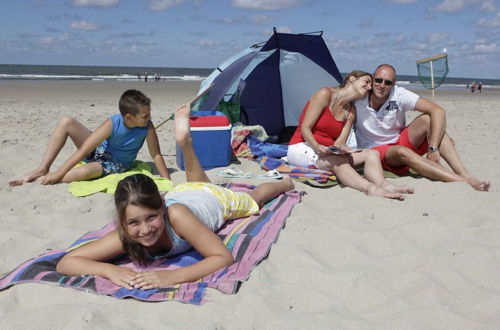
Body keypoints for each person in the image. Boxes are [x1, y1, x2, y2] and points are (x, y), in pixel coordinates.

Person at [56, 104, 295, 290]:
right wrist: (111, 271)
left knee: (253, 200)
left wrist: (172, 276)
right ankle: (185, 143)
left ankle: (283, 183)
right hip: (183, 193)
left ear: (162, 206)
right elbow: (66, 262)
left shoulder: (176, 215)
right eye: (133, 222)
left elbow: (222, 257)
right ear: (122, 221)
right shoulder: (128, 233)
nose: (145, 229)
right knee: (196, 182)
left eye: (151, 218)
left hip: (214, 201)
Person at [353, 64, 490, 191]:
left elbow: (438, 111)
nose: (382, 85)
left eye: (387, 82)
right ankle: (462, 181)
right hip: (375, 150)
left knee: (428, 119)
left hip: (399, 140)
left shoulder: (399, 94)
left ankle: (466, 174)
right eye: (378, 80)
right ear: (372, 80)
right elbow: (336, 98)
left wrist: (433, 147)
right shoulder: (359, 96)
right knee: (401, 151)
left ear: (393, 84)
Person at [287, 70, 413, 200]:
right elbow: (305, 128)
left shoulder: (351, 111)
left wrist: (343, 149)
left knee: (371, 153)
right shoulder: (324, 94)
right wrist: (316, 146)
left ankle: (383, 184)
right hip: (302, 147)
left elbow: (339, 143)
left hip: (327, 152)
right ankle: (370, 188)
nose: (370, 87)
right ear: (352, 79)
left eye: (370, 84)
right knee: (337, 161)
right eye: (367, 81)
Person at [9, 89, 170, 186]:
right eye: (145, 115)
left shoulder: (147, 127)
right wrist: (58, 171)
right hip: (97, 151)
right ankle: (43, 168)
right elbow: (84, 150)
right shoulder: (112, 123)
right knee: (66, 121)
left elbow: (156, 155)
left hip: (115, 164)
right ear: (129, 117)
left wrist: (167, 181)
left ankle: (38, 181)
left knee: (83, 171)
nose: (149, 117)